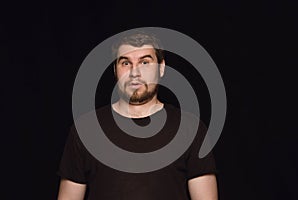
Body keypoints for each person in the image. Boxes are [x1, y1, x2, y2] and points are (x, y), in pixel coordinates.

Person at [57, 31, 218, 200]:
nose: (135, 72)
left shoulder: (189, 128)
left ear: (161, 68)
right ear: (115, 70)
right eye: (126, 63)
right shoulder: (86, 129)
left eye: (145, 62)